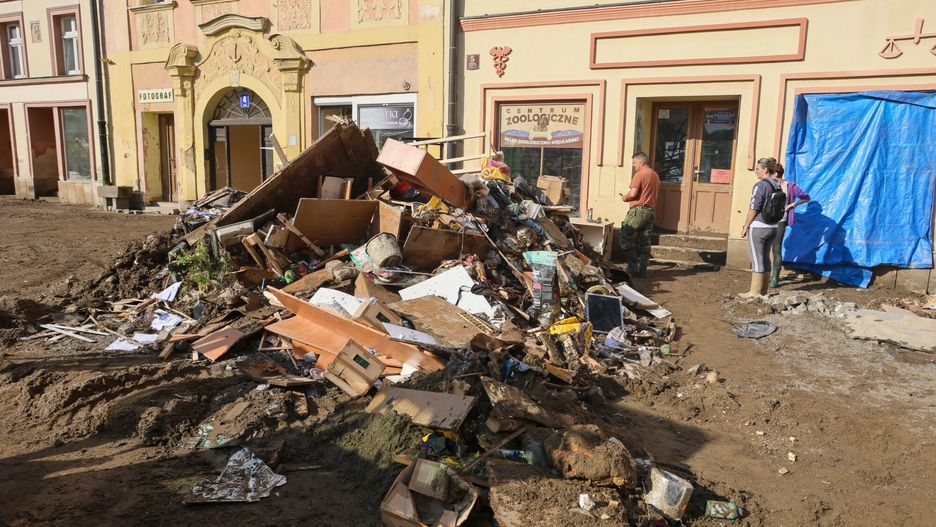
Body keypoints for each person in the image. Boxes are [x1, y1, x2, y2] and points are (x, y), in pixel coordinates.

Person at [739, 157, 782, 298]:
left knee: (756, 258)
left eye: (757, 169)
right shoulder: (778, 184)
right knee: (765, 258)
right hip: (774, 226)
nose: (755, 172)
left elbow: (754, 207)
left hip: (759, 226)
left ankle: (754, 292)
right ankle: (764, 291)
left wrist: (746, 226)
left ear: (765, 170)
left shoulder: (760, 185)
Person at [769, 163, 811, 287]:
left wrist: (792, 205)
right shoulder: (768, 185)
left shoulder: (790, 186)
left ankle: (775, 278)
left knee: (776, 248)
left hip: (781, 219)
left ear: (776, 173)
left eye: (770, 173)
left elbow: (806, 197)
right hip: (767, 219)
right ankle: (767, 275)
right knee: (769, 248)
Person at [619, 152, 660, 277]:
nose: (633, 165)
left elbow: (632, 194)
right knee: (645, 241)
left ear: (641, 163)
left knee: (625, 236)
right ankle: (643, 270)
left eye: (634, 163)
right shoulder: (655, 175)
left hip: (639, 211)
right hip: (650, 211)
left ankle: (632, 267)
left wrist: (624, 198)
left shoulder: (640, 174)